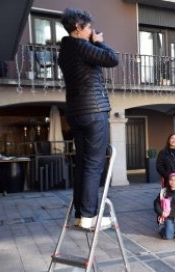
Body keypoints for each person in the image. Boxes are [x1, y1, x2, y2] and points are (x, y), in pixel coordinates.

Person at [58, 8, 119, 229]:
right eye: (89, 27)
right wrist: (99, 42)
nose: (92, 31)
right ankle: (89, 217)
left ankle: (80, 214)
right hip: (93, 111)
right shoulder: (82, 46)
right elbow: (112, 59)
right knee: (94, 165)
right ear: (78, 27)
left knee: (83, 164)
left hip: (75, 113)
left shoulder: (65, 51)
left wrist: (92, 43)